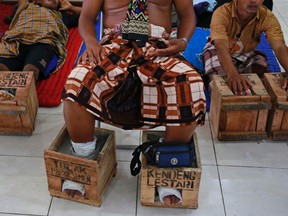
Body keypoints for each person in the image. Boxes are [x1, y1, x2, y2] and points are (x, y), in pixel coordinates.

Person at [61, 0, 206, 205]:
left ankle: (168, 164)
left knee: (191, 84)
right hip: (114, 42)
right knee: (77, 81)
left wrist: (182, 41)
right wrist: (91, 43)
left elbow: (188, 14)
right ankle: (84, 159)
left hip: (159, 46)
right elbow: (86, 16)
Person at [202, 0, 288, 95]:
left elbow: (279, 46)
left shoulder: (267, 17)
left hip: (247, 52)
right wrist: (232, 73)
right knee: (221, 86)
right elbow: (220, 46)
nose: (253, 1)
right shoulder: (221, 12)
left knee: (265, 86)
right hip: (217, 50)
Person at [0, 0, 68, 81]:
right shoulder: (26, 6)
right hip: (16, 40)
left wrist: (71, 7)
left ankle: (22, 89)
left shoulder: (59, 15)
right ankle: (8, 90)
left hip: (43, 42)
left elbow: (85, 17)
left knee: (30, 70)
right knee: (1, 69)